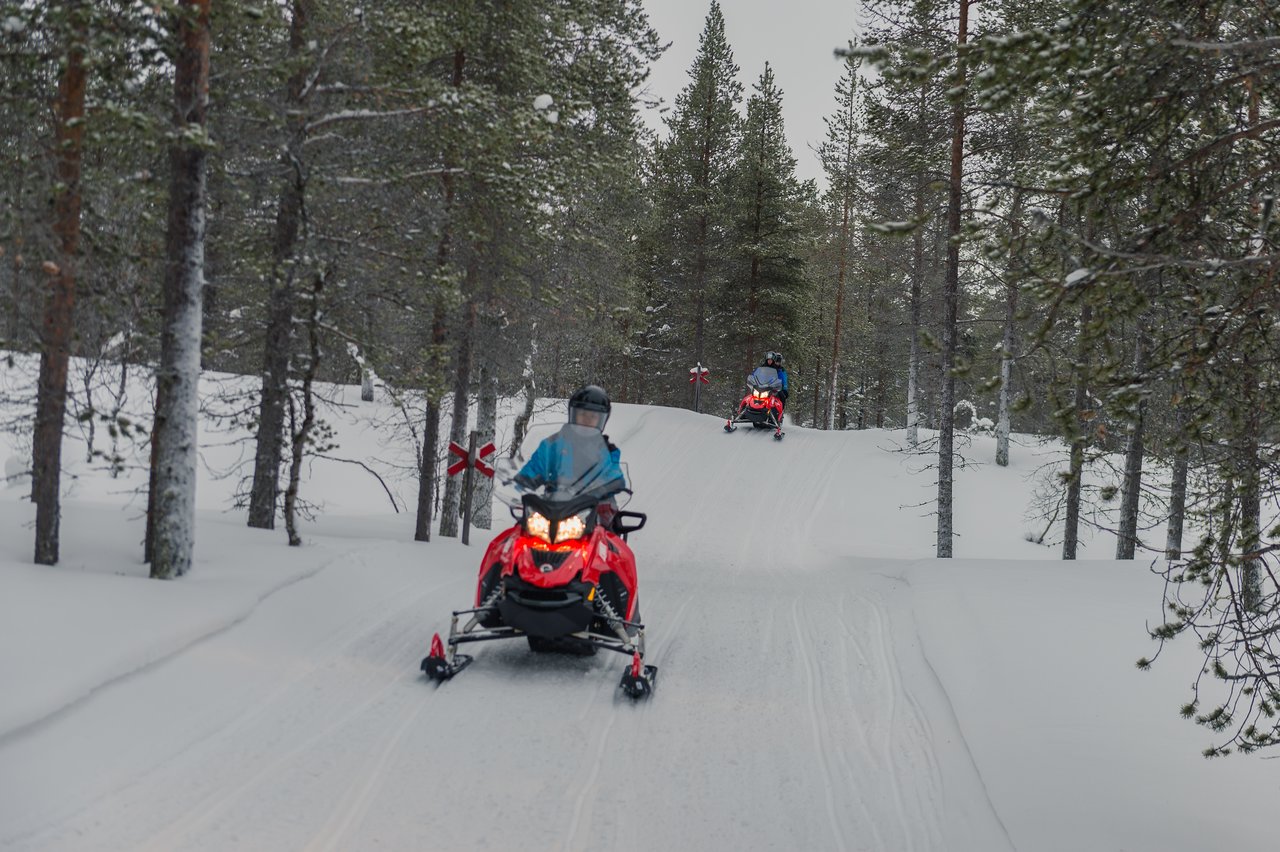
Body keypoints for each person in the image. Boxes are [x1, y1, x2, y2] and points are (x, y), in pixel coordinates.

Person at [515, 385, 626, 527]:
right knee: (517, 534)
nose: (587, 419)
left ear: (602, 420)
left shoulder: (608, 451)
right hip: (552, 508)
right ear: (573, 413)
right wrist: (524, 480)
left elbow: (613, 475)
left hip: (592, 510)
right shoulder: (552, 445)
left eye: (593, 416)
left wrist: (606, 488)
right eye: (583, 414)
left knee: (610, 539)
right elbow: (536, 466)